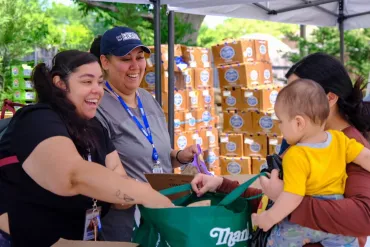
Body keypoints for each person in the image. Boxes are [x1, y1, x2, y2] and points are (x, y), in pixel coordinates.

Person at [191, 52, 370, 247]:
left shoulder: (349, 143)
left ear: (330, 98)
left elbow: (363, 218)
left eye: (298, 92)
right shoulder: (302, 142)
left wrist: (287, 201)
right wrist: (221, 185)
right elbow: (273, 199)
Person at [0, 50, 172, 247]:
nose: (97, 90)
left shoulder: (94, 128)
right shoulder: (38, 119)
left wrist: (175, 192)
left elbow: (118, 182)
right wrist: (149, 195)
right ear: (60, 84)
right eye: (86, 82)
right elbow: (74, 176)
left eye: (99, 82)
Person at [90, 26, 198, 241]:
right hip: (128, 221)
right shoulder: (97, 105)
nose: (135, 66)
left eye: (139, 57)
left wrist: (179, 156)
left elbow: (154, 153)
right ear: (104, 62)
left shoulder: (147, 98)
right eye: (124, 58)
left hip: (163, 212)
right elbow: (98, 172)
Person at [252, 79, 370, 246]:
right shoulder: (340, 139)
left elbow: (292, 197)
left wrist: (267, 219)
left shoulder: (296, 155)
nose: (279, 127)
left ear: (299, 123)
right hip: (336, 219)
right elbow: (366, 157)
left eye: (281, 121)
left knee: (273, 242)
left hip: (303, 224)